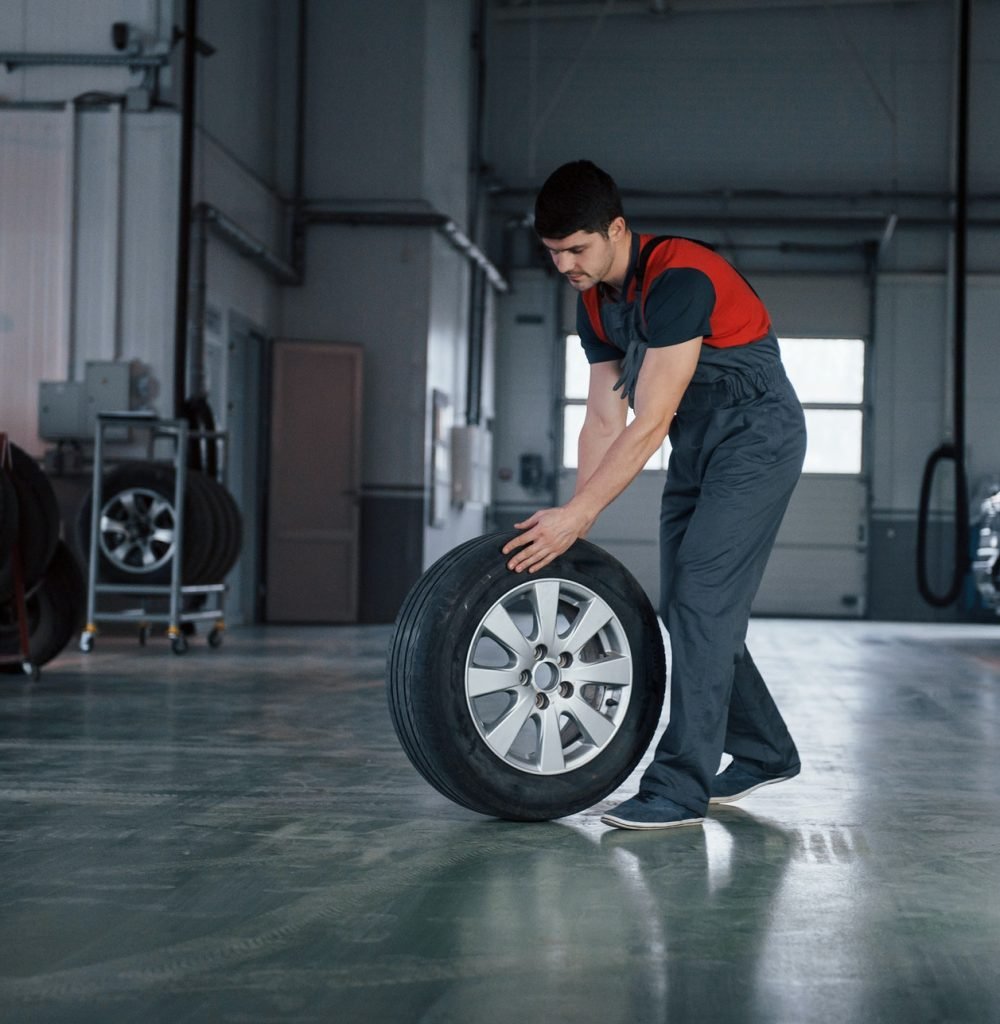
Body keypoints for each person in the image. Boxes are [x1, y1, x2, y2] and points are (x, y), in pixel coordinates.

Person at [501, 160, 807, 830]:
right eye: (554, 255)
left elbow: (649, 420)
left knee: (700, 599)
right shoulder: (594, 305)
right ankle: (763, 748)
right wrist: (573, 521)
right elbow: (603, 417)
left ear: (616, 229)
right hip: (699, 440)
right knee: (686, 606)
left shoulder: (679, 278)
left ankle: (677, 789)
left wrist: (581, 514)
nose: (566, 267)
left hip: (757, 434)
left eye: (577, 250)